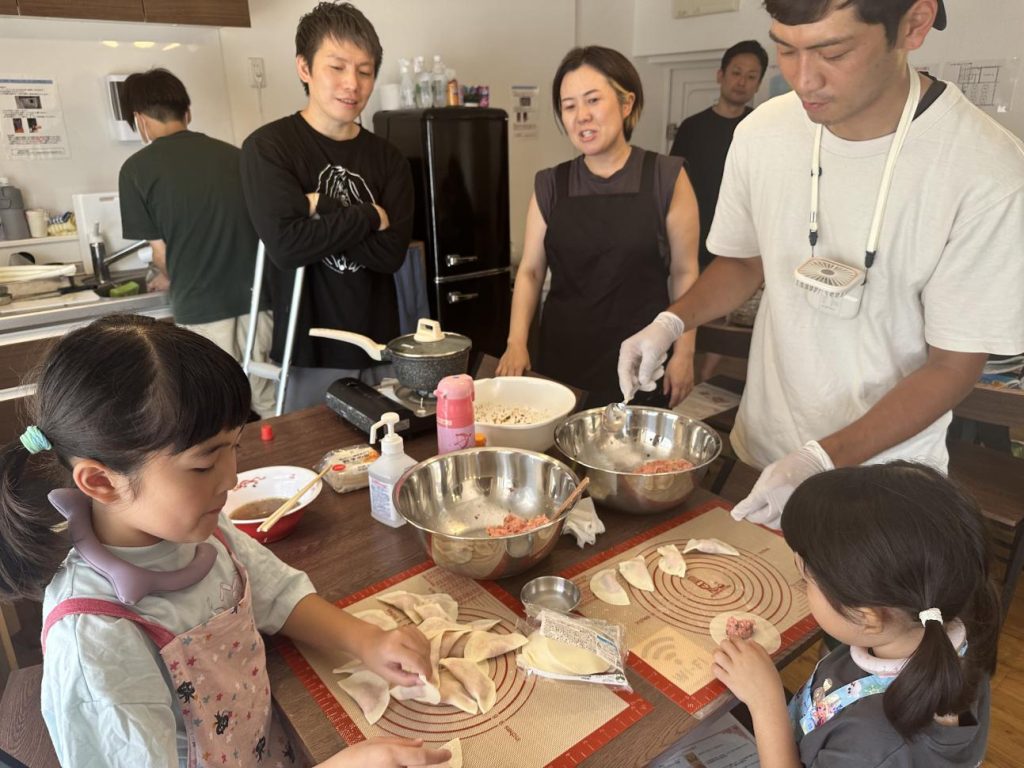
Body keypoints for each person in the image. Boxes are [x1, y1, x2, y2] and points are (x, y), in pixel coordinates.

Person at [617, 0, 1024, 525]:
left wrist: (821, 457)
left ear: (913, 25)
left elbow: (953, 365)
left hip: (887, 479)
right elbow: (742, 263)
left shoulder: (987, 171)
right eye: (785, 48)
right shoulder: (763, 132)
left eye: (833, 51)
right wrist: (671, 321)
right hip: (764, 454)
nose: (803, 80)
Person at [0, 315, 449, 768]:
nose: (232, 478)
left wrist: (366, 640)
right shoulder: (95, 642)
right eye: (203, 465)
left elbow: (274, 591)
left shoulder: (201, 531)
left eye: (235, 447)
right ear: (101, 481)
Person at [713, 462, 999, 766]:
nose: (801, 583)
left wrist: (765, 703)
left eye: (807, 578)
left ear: (867, 616)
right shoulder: (944, 630)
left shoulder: (875, 746)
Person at [495, 45, 700, 408]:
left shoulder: (666, 177)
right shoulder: (550, 185)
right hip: (563, 360)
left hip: (642, 360)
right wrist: (516, 342)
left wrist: (684, 353)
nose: (581, 116)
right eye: (569, 106)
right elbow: (529, 271)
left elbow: (685, 273)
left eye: (593, 100)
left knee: (634, 460)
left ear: (626, 104)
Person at [241, 1, 413, 412]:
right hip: (307, 353)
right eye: (337, 67)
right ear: (305, 68)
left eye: (365, 70)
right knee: (311, 469)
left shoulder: (389, 159)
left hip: (379, 350)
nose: (352, 84)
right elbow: (288, 246)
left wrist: (323, 207)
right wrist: (369, 216)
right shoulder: (269, 148)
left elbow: (390, 256)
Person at [118, 68, 276, 418]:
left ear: (139, 120)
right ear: (186, 113)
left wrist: (166, 274)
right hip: (258, 300)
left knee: (219, 405)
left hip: (202, 305)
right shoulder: (236, 156)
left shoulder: (136, 170)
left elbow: (160, 252)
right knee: (267, 398)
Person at [670, 40, 768, 273]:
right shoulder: (692, 128)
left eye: (751, 76)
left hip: (742, 248)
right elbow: (672, 186)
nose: (742, 82)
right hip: (694, 242)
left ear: (758, 85)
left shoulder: (762, 129)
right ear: (720, 75)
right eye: (736, 73)